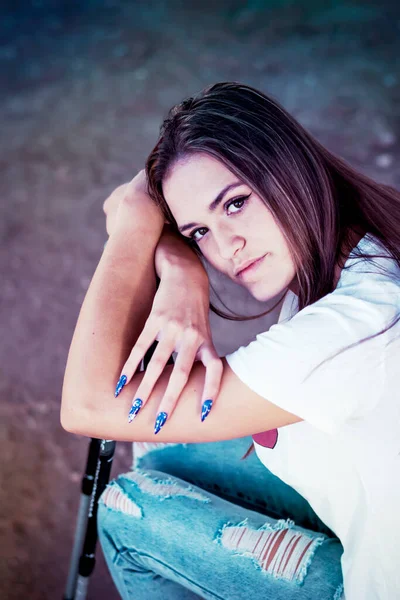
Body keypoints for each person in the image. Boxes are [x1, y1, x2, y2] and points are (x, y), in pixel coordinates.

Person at [61, 82, 400, 600]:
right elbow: (166, 176)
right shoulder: (365, 243)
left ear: (293, 166)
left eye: (236, 203)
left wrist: (136, 228)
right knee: (158, 455)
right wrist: (181, 272)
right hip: (362, 494)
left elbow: (87, 404)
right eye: (198, 231)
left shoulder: (350, 330)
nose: (226, 247)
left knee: (127, 509)